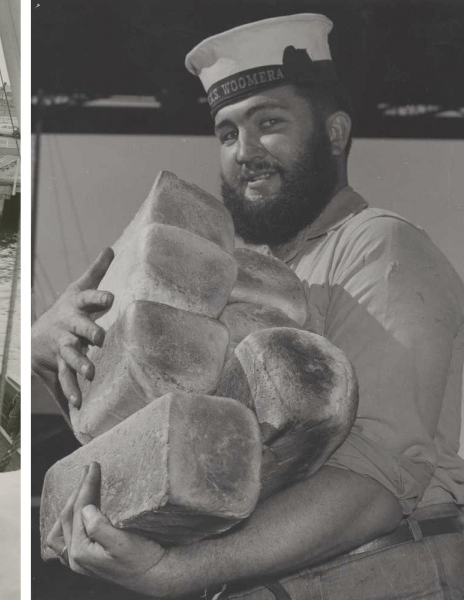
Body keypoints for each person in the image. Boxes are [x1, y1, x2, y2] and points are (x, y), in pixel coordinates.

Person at [31, 13, 464, 599]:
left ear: (335, 133)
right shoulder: (248, 278)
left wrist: (181, 572)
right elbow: (150, 438)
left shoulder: (378, 245)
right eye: (228, 133)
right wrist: (49, 347)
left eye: (269, 123)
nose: (244, 151)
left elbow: (376, 485)